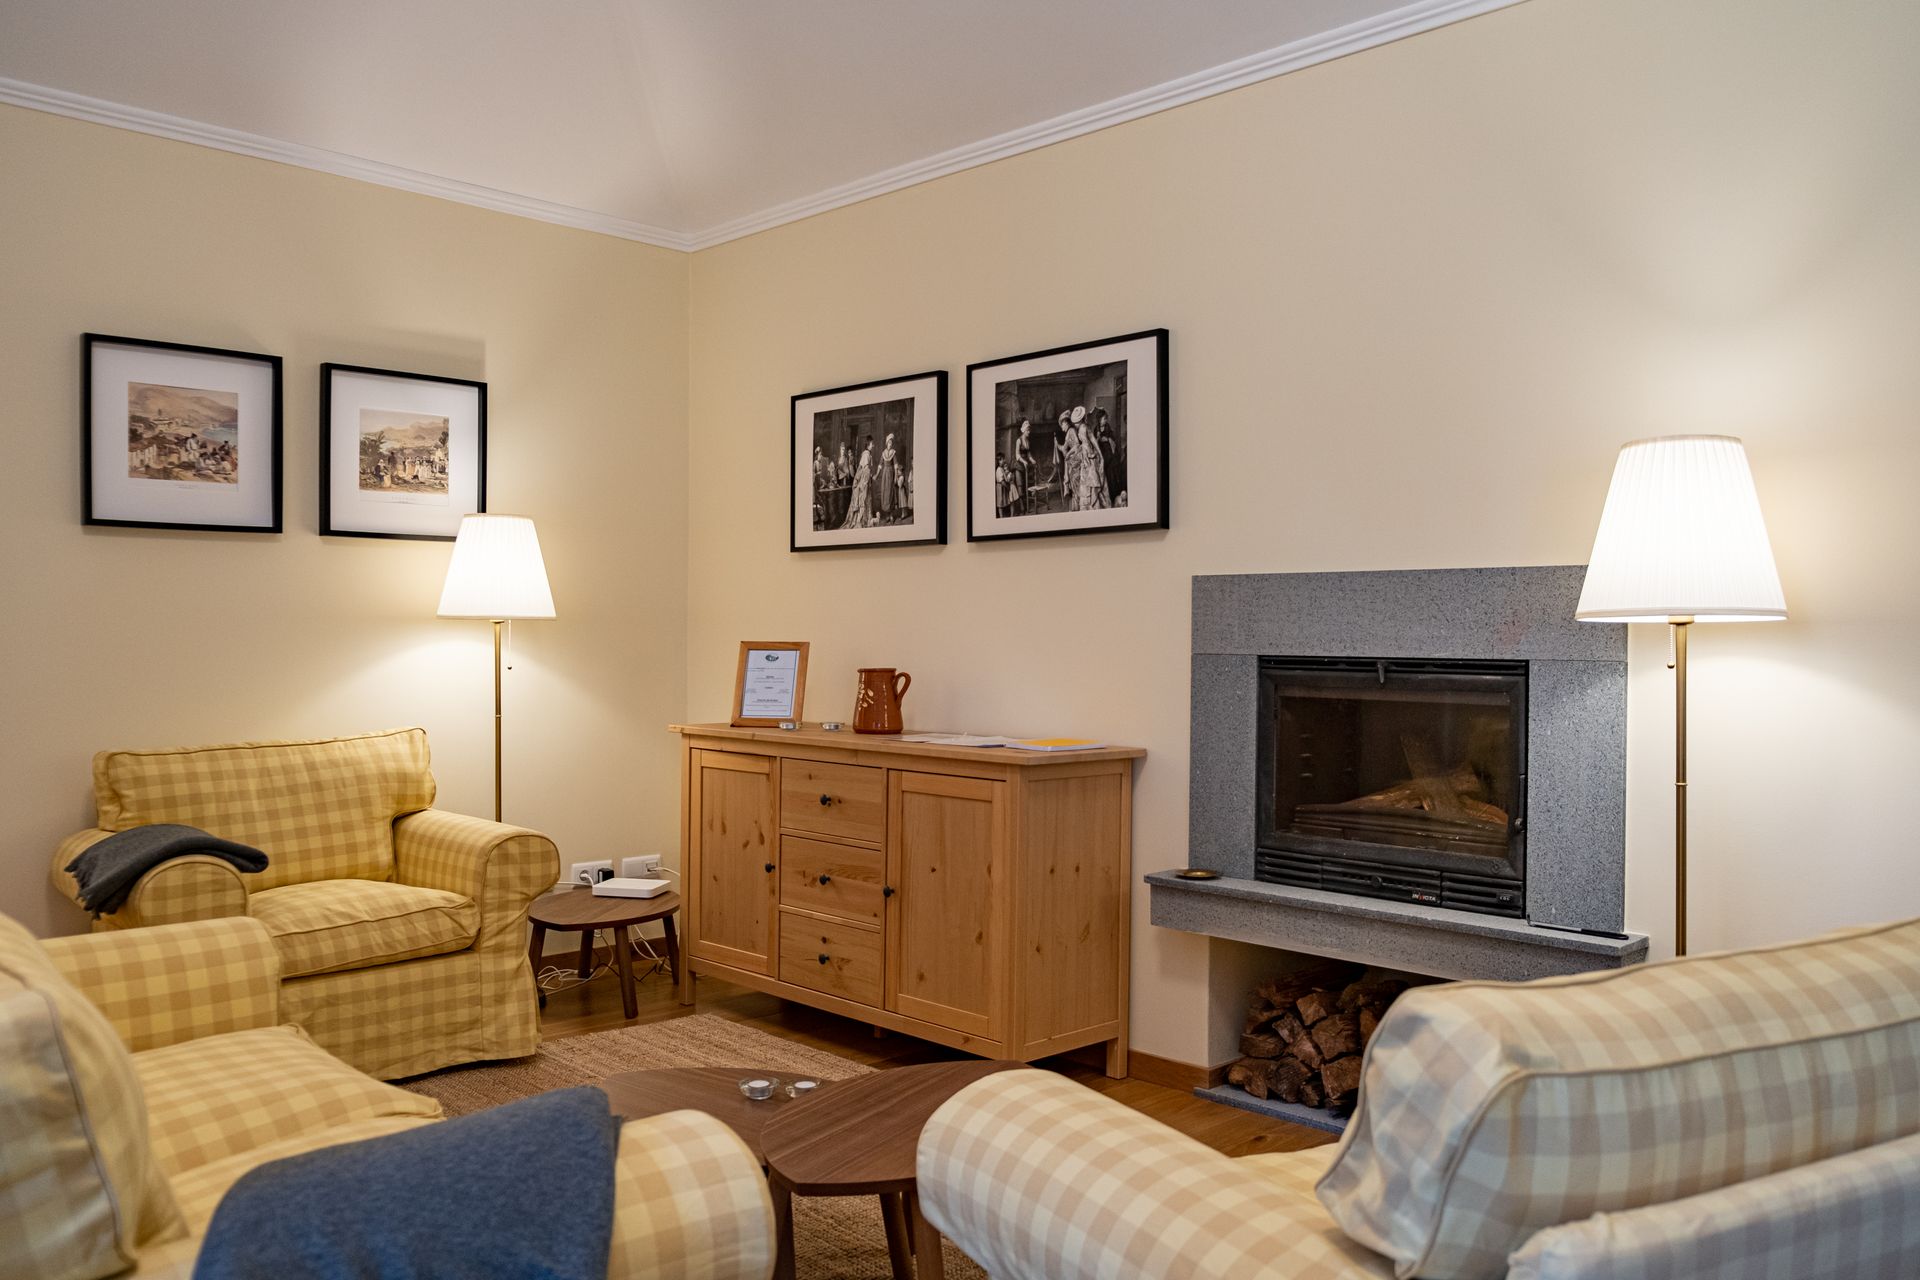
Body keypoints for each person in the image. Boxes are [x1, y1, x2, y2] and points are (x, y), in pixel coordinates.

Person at [842, 438, 874, 529]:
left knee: (864, 498)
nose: (873, 446)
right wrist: (864, 480)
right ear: (868, 445)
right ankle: (861, 520)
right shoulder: (866, 454)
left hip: (864, 479)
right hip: (864, 480)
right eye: (872, 444)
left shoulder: (866, 454)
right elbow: (865, 469)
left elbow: (861, 468)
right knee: (863, 498)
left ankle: (862, 519)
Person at [1054, 412, 1079, 511]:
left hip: (1075, 461)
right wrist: (1057, 445)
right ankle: (1073, 508)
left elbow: (1077, 445)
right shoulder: (1068, 432)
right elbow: (1064, 448)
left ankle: (1076, 507)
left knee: (1075, 485)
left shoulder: (1071, 431)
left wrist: (1068, 454)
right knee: (1072, 485)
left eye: (1062, 425)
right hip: (1071, 462)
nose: (1061, 428)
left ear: (1066, 423)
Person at [1012, 419, 1037, 514]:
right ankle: (1022, 507)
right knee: (1020, 485)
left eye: (1029, 430)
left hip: (1025, 464)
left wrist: (1032, 460)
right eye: (1027, 430)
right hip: (1018, 465)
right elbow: (1017, 455)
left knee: (1027, 484)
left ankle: (1027, 504)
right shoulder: (1018, 440)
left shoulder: (1028, 441)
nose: (1029, 432)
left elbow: (1029, 454)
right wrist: (1023, 461)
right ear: (1024, 430)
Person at [878, 433, 898, 524]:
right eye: (889, 443)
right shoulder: (883, 453)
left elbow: (896, 465)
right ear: (886, 443)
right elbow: (880, 465)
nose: (890, 444)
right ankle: (887, 514)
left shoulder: (893, 452)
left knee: (890, 493)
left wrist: (896, 476)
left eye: (891, 443)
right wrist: (877, 474)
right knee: (885, 493)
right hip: (885, 475)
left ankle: (891, 515)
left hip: (891, 473)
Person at [995, 453, 1021, 518]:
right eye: (1002, 459)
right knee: (1000, 503)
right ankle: (1001, 516)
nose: (1004, 460)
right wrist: (1008, 487)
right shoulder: (999, 470)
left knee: (1004, 502)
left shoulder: (1002, 468)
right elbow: (1002, 481)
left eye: (1004, 459)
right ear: (998, 461)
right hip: (1000, 487)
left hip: (1003, 487)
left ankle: (1009, 515)